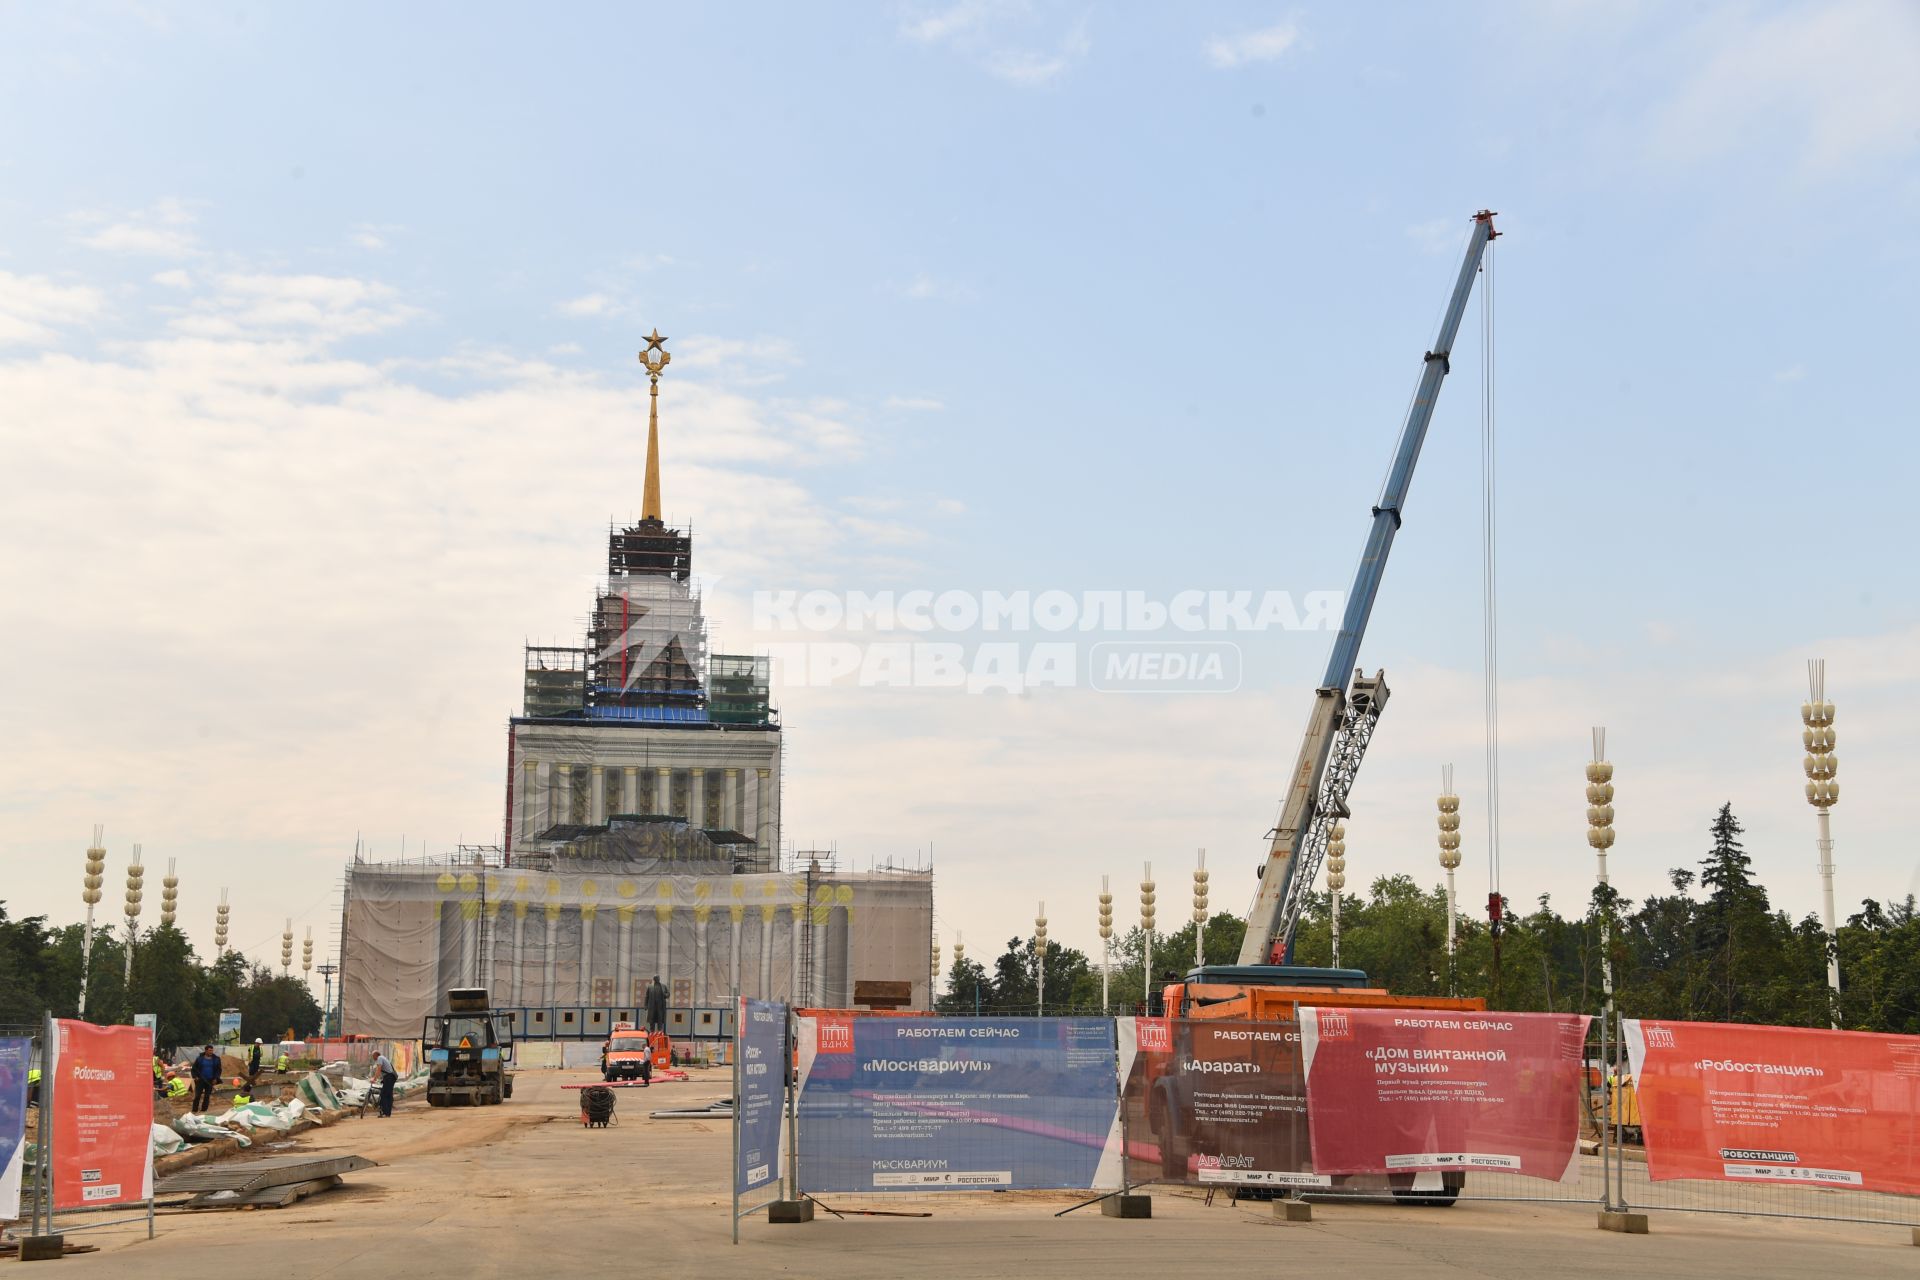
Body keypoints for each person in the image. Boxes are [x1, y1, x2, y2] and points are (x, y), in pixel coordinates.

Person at [189, 1045, 221, 1113]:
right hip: (200, 1080)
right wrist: (195, 1077)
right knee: (197, 1095)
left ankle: (204, 1110)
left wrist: (216, 1078)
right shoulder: (199, 1059)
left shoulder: (216, 1059)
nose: (211, 1052)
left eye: (212, 1050)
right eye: (209, 1050)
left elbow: (218, 1070)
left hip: (210, 1080)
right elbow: (193, 1069)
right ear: (205, 1050)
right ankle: (194, 1110)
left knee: (207, 1096)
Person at [370, 1050, 396, 1118]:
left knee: (384, 1094)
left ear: (376, 1055)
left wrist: (374, 1079)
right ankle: (387, 1113)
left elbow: (379, 1069)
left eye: (373, 1056)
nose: (373, 1058)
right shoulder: (383, 1058)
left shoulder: (379, 1058)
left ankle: (385, 1112)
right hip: (390, 1077)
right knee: (388, 1095)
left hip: (389, 1077)